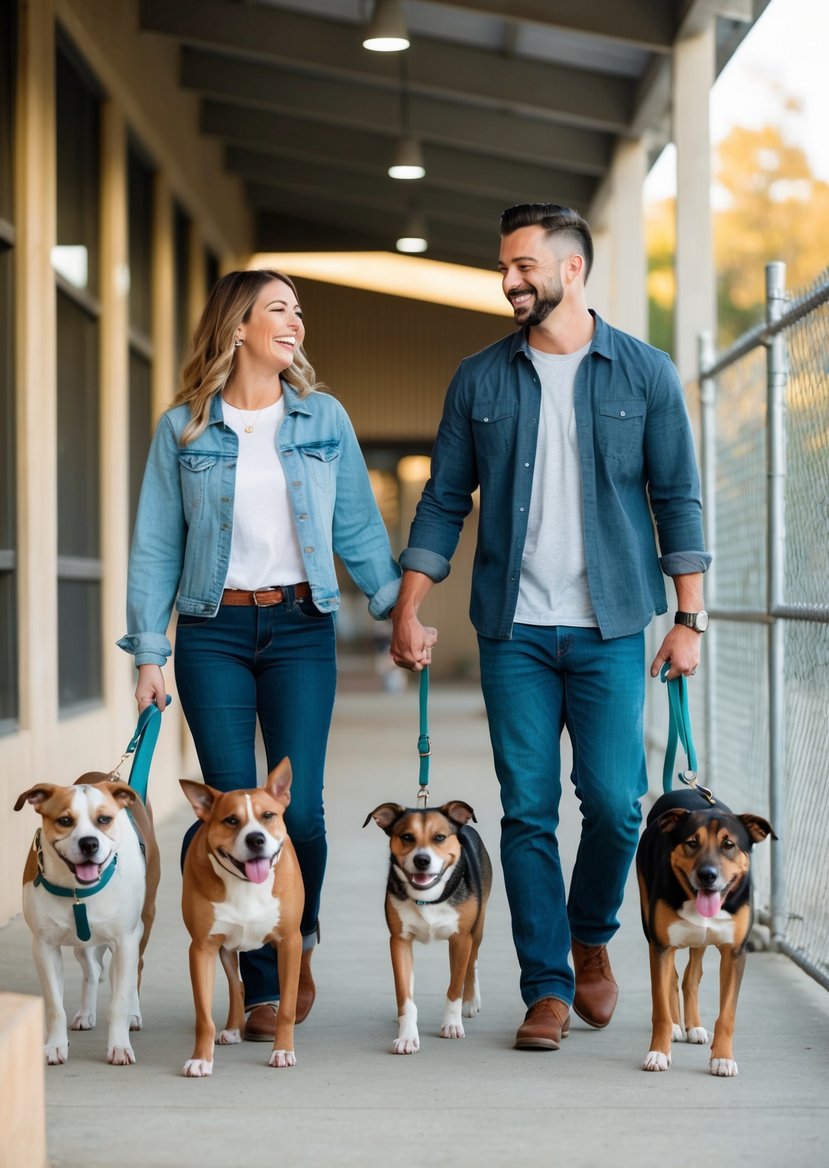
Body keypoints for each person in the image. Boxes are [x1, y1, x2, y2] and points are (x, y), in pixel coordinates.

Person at [390, 203, 711, 1051]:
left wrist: (688, 619)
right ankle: (546, 988)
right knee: (526, 811)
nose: (508, 281)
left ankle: (591, 937)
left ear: (572, 269)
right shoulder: (480, 378)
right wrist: (411, 602)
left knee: (612, 804)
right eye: (504, 267)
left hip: (610, 627)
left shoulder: (644, 374)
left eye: (522, 265)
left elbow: (676, 497)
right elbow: (443, 498)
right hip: (513, 629)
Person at [118, 268, 400, 1041]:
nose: (296, 323)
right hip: (211, 632)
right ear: (237, 326)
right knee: (229, 807)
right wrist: (150, 652)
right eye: (279, 309)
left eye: (299, 312)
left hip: (302, 627)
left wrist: (394, 608)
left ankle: (292, 937)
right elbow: (154, 545)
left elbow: (356, 529)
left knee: (295, 810)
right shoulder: (184, 426)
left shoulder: (322, 419)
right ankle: (262, 989)